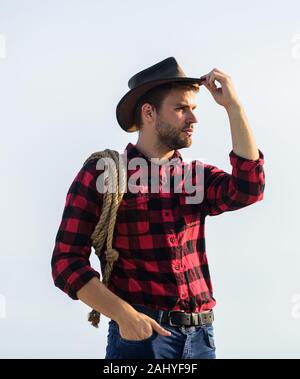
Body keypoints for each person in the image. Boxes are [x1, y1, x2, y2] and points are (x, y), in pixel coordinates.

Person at [51, 57, 265, 359]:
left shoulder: (195, 177)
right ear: (148, 112)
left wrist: (234, 107)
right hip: (143, 339)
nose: (193, 119)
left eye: (194, 109)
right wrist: (125, 316)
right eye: (181, 109)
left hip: (203, 338)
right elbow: (65, 262)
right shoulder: (103, 175)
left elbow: (249, 188)